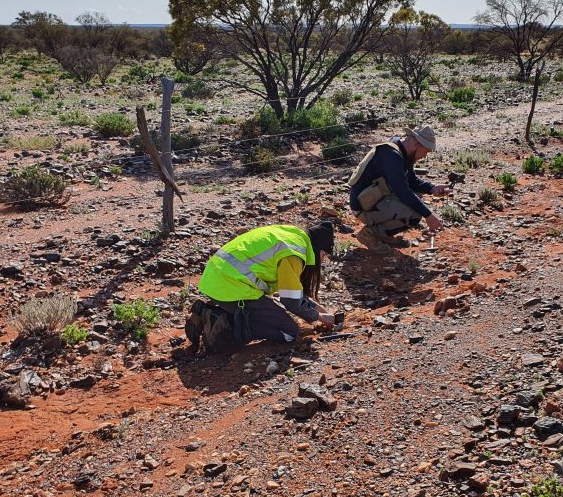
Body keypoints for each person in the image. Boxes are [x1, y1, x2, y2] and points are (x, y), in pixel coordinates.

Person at [186, 221, 337, 353]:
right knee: (288, 331)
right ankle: (215, 324)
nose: (322, 261)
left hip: (215, 280)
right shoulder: (295, 254)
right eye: (323, 255)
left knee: (268, 316)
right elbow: (290, 301)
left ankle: (216, 313)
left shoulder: (292, 237)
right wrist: (320, 318)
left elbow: (291, 289)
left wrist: (317, 308)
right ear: (318, 249)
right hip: (232, 287)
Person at [348, 125, 449, 249]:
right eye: (426, 151)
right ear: (417, 144)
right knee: (416, 212)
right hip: (362, 207)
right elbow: (403, 191)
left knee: (416, 197)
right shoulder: (391, 156)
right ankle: (370, 233)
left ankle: (383, 234)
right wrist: (428, 215)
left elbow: (411, 181)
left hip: (373, 199)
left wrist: (432, 188)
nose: (424, 156)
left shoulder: (402, 152)